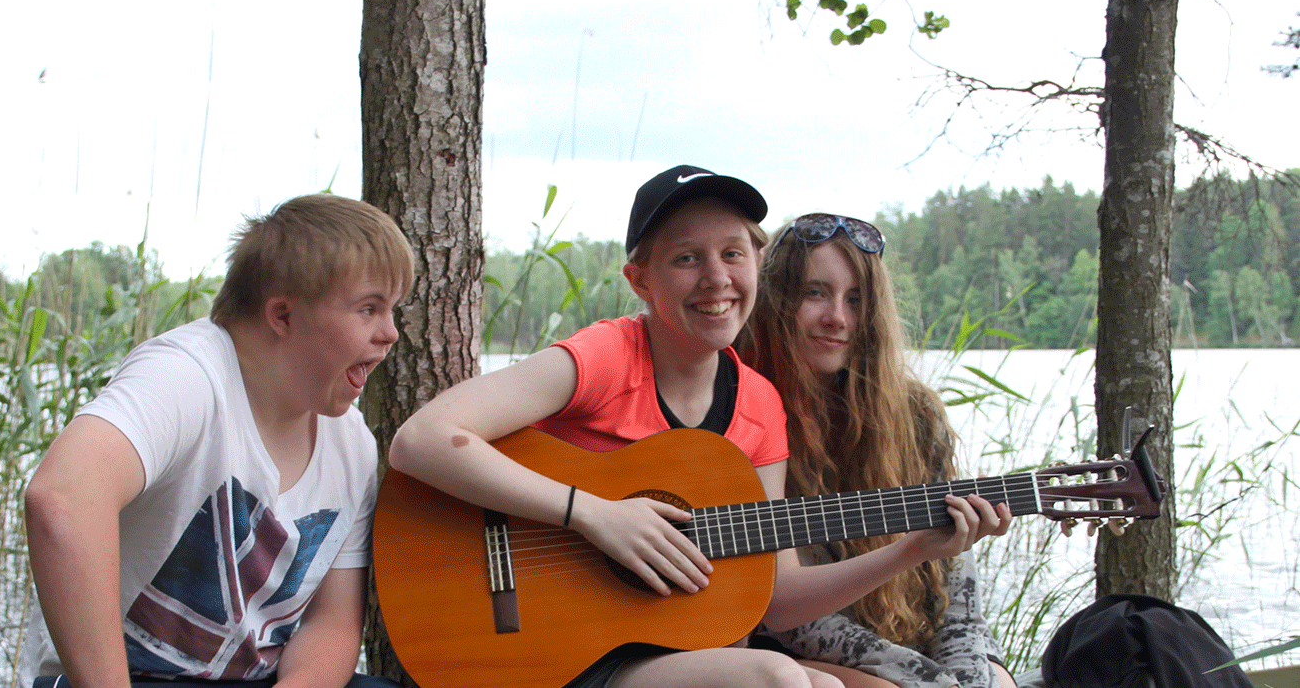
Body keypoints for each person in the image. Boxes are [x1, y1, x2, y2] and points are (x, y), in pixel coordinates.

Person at [389, 166, 1011, 688]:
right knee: (783, 681)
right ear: (640, 279)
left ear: (757, 269)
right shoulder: (607, 358)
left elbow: (776, 596)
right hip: (541, 647)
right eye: (688, 259)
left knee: (809, 682)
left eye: (732, 254)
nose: (716, 279)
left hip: (652, 651)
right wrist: (593, 514)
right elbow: (422, 441)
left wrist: (911, 551)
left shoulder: (759, 404)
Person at [21, 194, 415, 688]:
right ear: (282, 315)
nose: (391, 333)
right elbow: (61, 500)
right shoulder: (186, 377)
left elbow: (330, 624)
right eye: (368, 309)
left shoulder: (351, 443)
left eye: (392, 310)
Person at [739, 212, 1018, 688]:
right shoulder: (748, 414)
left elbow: (960, 615)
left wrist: (969, 681)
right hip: (793, 651)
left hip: (909, 659)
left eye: (856, 299)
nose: (838, 318)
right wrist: (924, 681)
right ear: (776, 300)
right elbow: (785, 615)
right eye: (814, 292)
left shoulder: (915, 416)